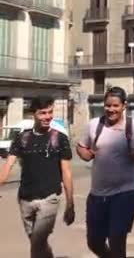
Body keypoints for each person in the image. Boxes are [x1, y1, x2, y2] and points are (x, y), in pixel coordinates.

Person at [76, 87, 134, 257]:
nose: (111, 109)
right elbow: (81, 146)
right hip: (98, 193)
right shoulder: (94, 125)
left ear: (124, 106)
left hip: (126, 191)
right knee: (94, 241)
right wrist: (86, 154)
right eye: (107, 105)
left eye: (115, 106)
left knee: (117, 237)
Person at [0, 96, 75, 258]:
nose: (48, 117)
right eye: (43, 113)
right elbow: (8, 166)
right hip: (25, 199)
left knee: (37, 242)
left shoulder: (59, 138)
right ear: (33, 114)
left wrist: (70, 203)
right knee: (37, 242)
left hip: (49, 198)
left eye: (50, 112)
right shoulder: (22, 138)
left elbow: (67, 172)